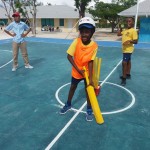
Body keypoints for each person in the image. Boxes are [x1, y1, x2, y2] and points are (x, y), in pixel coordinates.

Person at [60, 17, 98, 121]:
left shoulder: (94, 46)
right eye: (82, 32)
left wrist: (90, 78)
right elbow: (69, 56)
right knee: (72, 87)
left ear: (92, 32)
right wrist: (78, 70)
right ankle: (68, 104)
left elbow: (91, 61)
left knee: (88, 90)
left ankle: (89, 109)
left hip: (87, 72)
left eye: (87, 32)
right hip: (77, 71)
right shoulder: (76, 42)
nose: (84, 34)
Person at [117, 17, 138, 86]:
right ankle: (128, 74)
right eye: (127, 21)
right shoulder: (125, 30)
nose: (128, 23)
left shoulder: (133, 31)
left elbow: (136, 41)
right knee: (128, 61)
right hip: (124, 49)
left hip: (128, 50)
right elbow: (119, 34)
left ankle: (124, 78)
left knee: (124, 62)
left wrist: (129, 41)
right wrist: (119, 27)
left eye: (130, 21)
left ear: (133, 23)